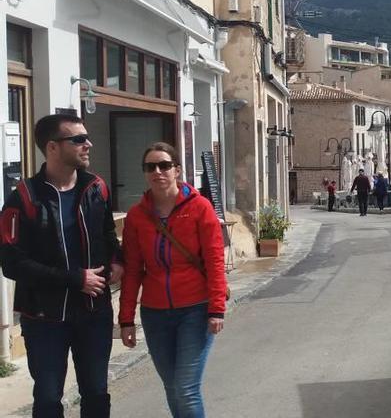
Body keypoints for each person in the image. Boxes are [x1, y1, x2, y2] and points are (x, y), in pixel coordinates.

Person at [0, 114, 123, 418]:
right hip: (44, 318)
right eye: (78, 139)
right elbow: (12, 264)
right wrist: (74, 278)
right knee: (48, 398)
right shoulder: (24, 198)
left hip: (94, 313)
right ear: (53, 147)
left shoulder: (97, 188)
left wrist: (117, 260)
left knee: (96, 393)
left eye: (86, 137)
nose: (88, 144)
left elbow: (108, 234)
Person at [118, 142, 226, 418]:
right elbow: (133, 270)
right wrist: (126, 318)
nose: (158, 172)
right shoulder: (136, 216)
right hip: (155, 314)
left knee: (186, 388)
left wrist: (216, 309)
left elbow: (215, 261)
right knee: (171, 387)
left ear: (177, 170)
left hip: (195, 310)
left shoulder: (200, 208)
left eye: (164, 165)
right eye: (150, 167)